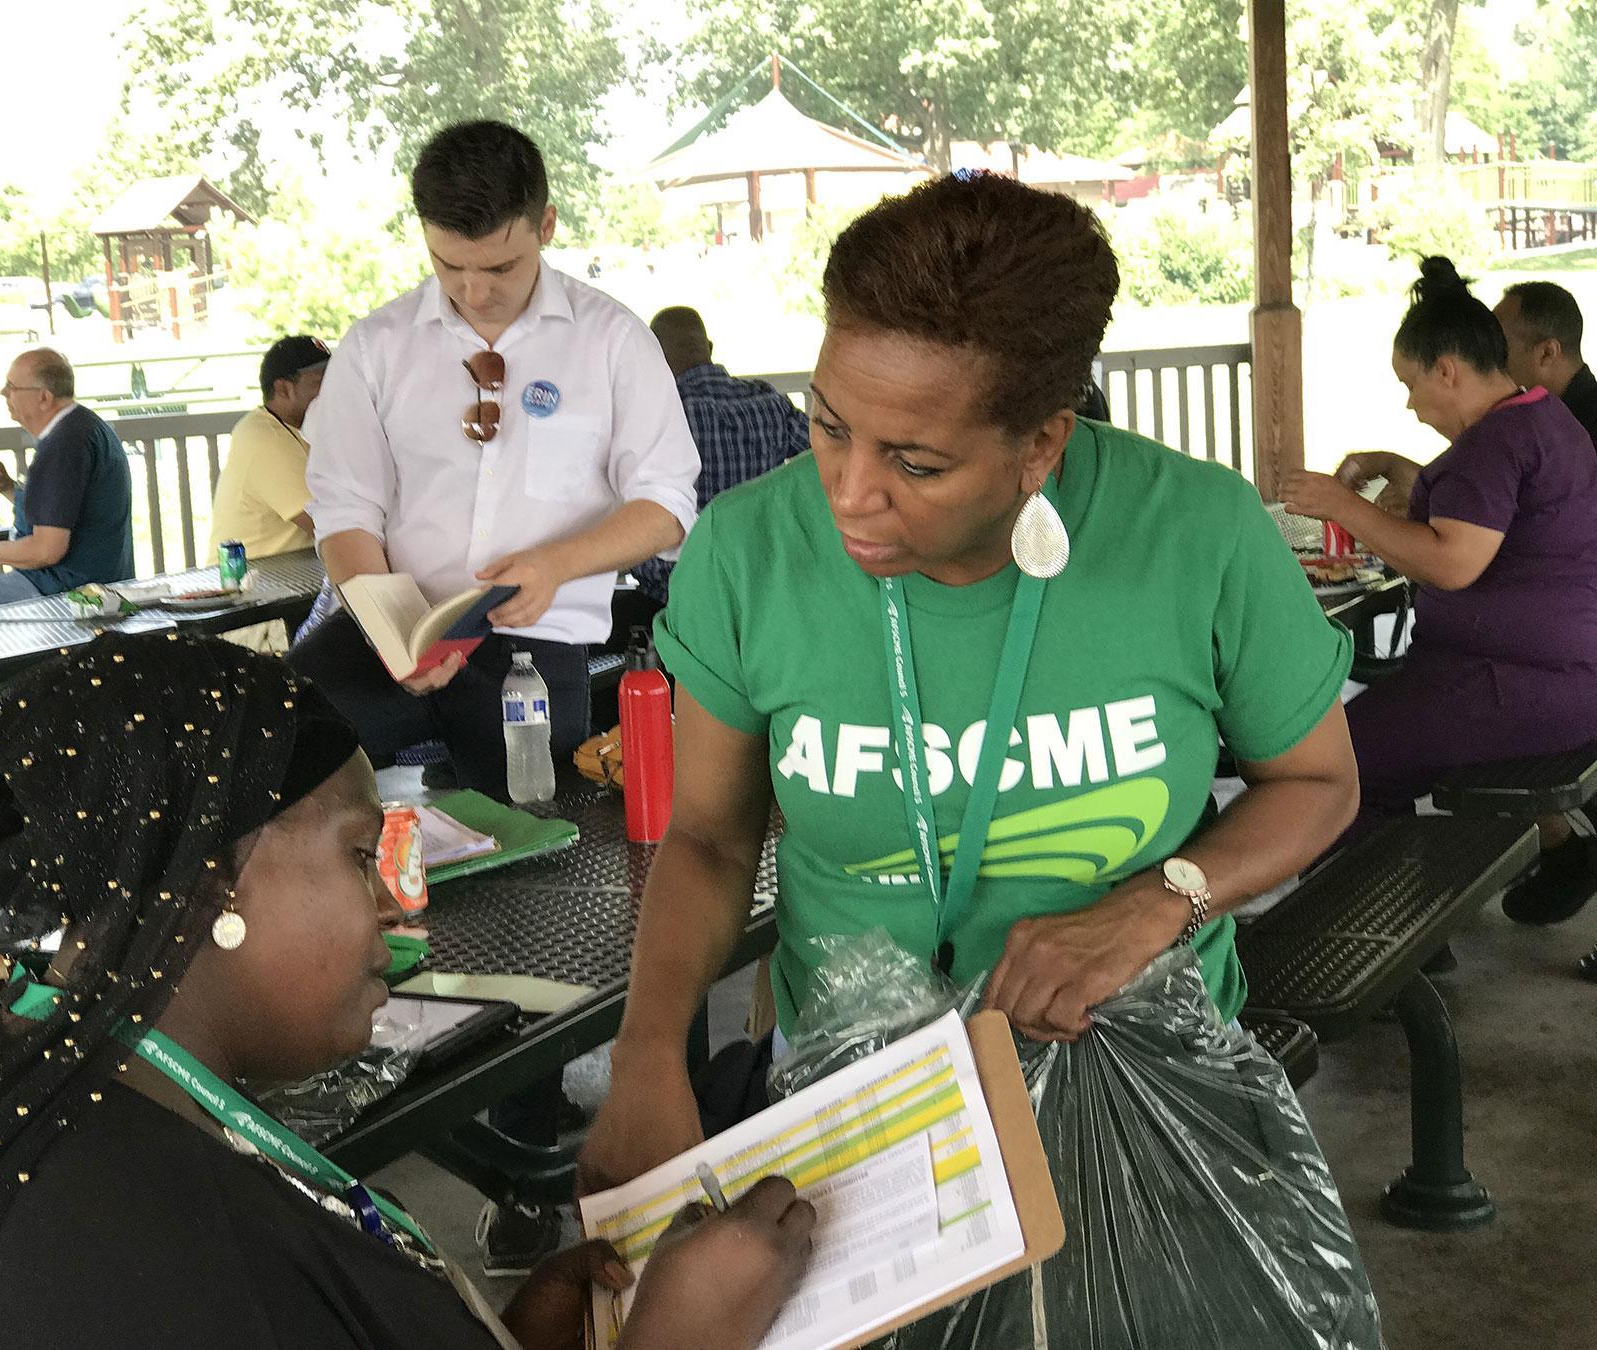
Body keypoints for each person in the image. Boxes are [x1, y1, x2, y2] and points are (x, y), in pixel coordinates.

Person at [580, 175, 1359, 1205]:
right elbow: (712, 840)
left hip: (1137, 1079)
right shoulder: (749, 550)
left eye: (915, 461)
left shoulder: (1197, 532)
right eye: (827, 425)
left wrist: (1156, 904)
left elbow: (1318, 782)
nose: (849, 492)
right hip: (850, 1101)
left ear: (1041, 442)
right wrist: (646, 1052)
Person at [0, 632, 815, 1350]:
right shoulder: (122, 1235)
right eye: (363, 857)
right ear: (210, 889)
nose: (398, 905)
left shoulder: (53, 1060)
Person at [293, 120, 699, 799]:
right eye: (449, 266)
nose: (474, 292)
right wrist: (391, 628)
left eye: (499, 268)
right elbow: (345, 508)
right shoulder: (375, 348)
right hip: (391, 626)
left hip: (535, 642)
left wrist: (557, 565)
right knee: (275, 754)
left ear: (545, 224)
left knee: (533, 832)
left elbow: (667, 507)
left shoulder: (611, 340)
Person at [1284, 257, 1597, 924]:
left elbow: (1453, 563)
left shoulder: (1496, 442)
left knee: (1328, 768)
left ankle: (1388, 934)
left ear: (1447, 371)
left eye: (1410, 383)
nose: (1409, 402)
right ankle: (1411, 926)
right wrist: (1394, 486)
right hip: (1560, 674)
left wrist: (1341, 503)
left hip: (1517, 682)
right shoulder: (1542, 418)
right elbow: (1484, 523)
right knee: (1355, 744)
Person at [621, 306, 810, 629]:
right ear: (708, 348)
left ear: (655, 353)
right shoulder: (768, 402)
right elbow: (823, 452)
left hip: (669, 599)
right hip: (762, 590)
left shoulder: (653, 416)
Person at [0, 348, 135, 610]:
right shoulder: (87, 426)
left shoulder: (63, 445)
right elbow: (62, 510)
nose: (4, 394)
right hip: (102, 585)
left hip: (66, 594)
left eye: (12, 387)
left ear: (43, 397)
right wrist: (6, 487)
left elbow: (47, 549)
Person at [210, 336, 331, 560]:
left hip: (292, 577)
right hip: (249, 584)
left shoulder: (309, 428)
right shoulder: (263, 436)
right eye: (321, 382)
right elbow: (331, 524)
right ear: (283, 389)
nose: (333, 392)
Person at [1491, 280, 1597, 447]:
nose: (1488, 357)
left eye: (1499, 345)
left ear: (1547, 353)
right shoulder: (1546, 418)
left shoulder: (1579, 433)